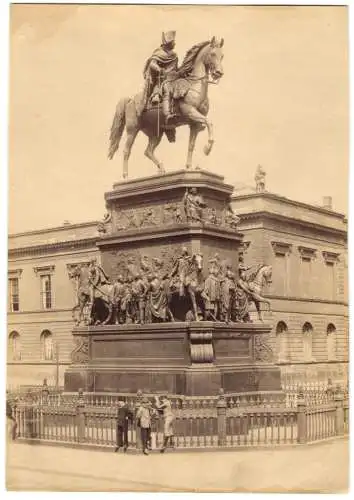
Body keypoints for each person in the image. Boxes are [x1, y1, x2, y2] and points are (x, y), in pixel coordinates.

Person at [142, 31, 178, 123]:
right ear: (168, 43)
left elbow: (175, 68)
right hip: (161, 78)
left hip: (172, 77)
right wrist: (160, 70)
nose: (174, 43)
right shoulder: (159, 52)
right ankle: (167, 114)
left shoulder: (174, 55)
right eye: (173, 42)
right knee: (166, 89)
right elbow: (152, 64)